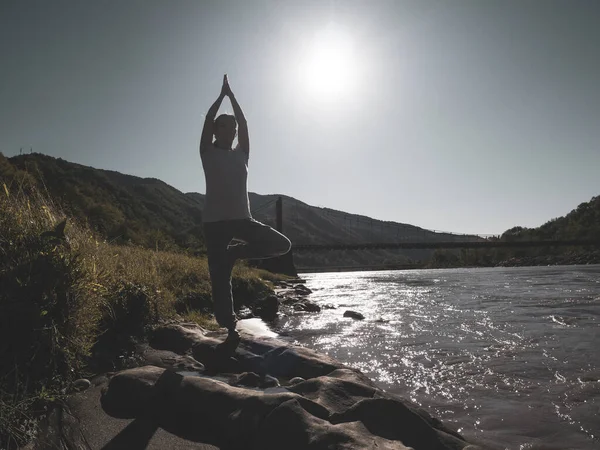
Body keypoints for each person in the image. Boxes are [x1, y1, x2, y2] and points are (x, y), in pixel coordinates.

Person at [200, 74, 291, 351]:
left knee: (282, 244)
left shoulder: (242, 154)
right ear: (216, 131)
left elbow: (246, 122)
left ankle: (237, 252)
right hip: (214, 224)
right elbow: (206, 120)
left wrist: (234, 97)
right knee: (219, 276)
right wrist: (221, 97)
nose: (231, 129)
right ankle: (229, 327)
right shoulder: (207, 152)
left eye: (233, 127)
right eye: (225, 126)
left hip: (243, 220)